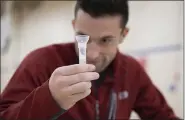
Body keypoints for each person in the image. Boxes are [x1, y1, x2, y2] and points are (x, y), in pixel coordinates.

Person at [0, 0, 180, 120]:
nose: (92, 54)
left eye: (105, 40)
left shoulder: (132, 72)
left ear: (123, 35)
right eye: (82, 37)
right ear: (74, 26)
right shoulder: (41, 62)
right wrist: (47, 100)